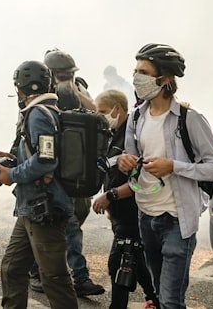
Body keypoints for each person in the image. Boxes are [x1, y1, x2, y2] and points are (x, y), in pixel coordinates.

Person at [117, 44, 213, 309]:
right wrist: (124, 162)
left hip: (178, 221)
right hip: (146, 215)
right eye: (135, 71)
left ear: (165, 79)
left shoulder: (190, 119)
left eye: (143, 71)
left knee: (170, 300)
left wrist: (174, 166)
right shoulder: (136, 118)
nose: (136, 77)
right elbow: (131, 162)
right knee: (158, 294)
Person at [0, 60, 77, 309]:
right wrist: (14, 159)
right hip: (32, 207)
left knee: (54, 278)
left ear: (21, 88)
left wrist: (12, 174)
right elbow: (40, 152)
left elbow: (47, 159)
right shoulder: (43, 111)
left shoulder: (39, 113)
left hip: (45, 209)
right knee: (13, 267)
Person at [30, 48, 105, 298]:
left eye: (68, 74)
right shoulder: (39, 94)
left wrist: (74, 92)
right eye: (60, 75)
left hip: (76, 169)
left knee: (67, 223)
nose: (65, 78)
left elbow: (98, 114)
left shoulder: (79, 89)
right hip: (53, 170)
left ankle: (36, 269)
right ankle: (79, 277)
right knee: (68, 225)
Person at [91, 89, 159, 309]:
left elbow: (139, 183)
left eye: (102, 111)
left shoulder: (131, 138)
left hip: (132, 212)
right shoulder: (114, 134)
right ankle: (157, 299)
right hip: (120, 215)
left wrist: (110, 195)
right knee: (134, 262)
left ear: (117, 109)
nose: (100, 116)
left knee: (119, 263)